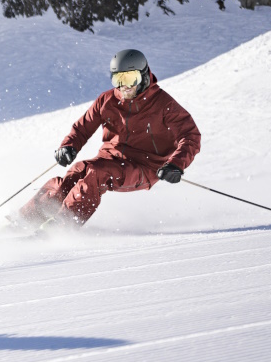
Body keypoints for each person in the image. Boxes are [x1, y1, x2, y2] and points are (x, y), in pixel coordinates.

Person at [16, 48, 201, 229]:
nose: (125, 86)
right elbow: (82, 127)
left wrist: (176, 164)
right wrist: (69, 146)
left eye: (130, 78)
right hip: (109, 159)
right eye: (118, 79)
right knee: (76, 171)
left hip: (145, 166)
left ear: (144, 76)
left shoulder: (163, 104)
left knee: (97, 174)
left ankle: (63, 224)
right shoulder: (107, 100)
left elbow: (190, 135)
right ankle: (28, 218)